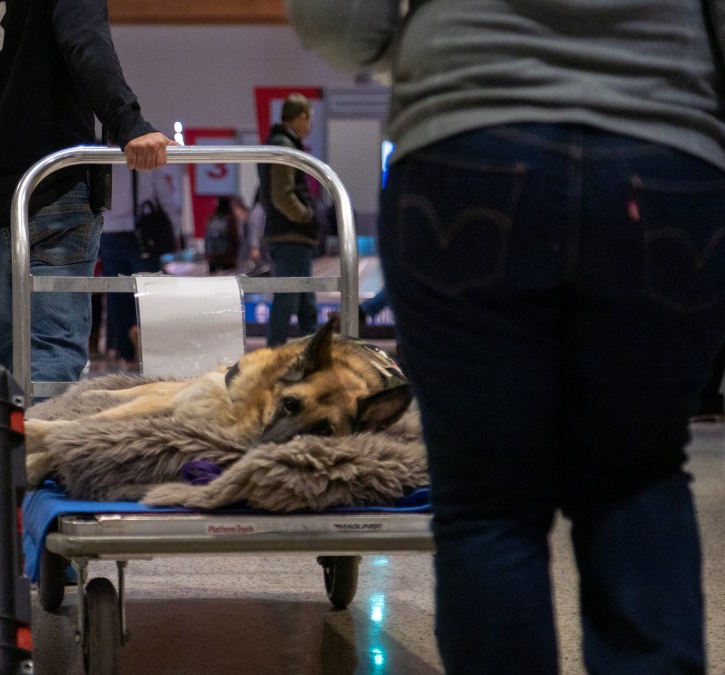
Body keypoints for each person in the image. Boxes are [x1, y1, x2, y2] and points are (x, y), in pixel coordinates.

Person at [288, 1, 725, 673]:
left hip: (465, 149)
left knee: (487, 502)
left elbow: (341, 21)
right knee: (637, 477)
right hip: (663, 154)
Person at [0, 0, 175, 384]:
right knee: (53, 350)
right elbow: (86, 42)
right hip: (54, 186)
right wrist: (129, 122)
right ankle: (39, 444)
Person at [99, 164, 180, 368]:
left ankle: (126, 355)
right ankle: (151, 352)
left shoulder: (101, 162)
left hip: (108, 235)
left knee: (118, 297)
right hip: (141, 236)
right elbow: (166, 200)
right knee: (148, 295)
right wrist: (174, 233)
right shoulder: (144, 165)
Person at [259, 94, 319, 346]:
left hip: (291, 236)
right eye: (309, 119)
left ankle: (315, 354)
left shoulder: (283, 143)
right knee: (288, 300)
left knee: (306, 302)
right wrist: (306, 215)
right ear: (302, 117)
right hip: (290, 234)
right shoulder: (283, 146)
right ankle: (272, 357)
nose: (310, 126)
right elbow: (283, 195)